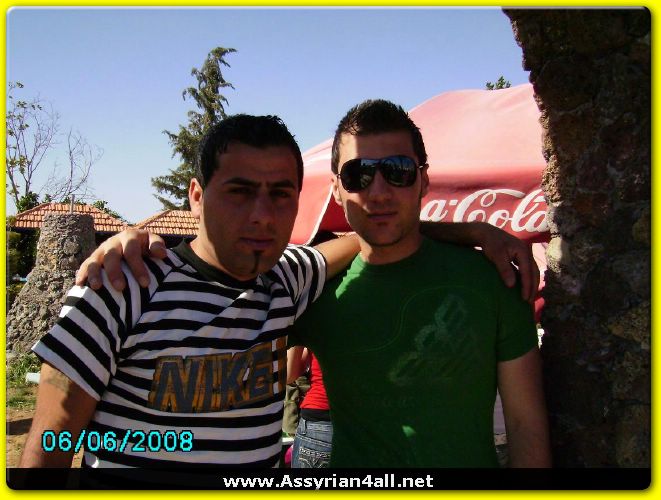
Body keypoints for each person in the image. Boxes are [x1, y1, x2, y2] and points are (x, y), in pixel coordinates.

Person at [53, 111, 541, 471]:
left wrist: (471, 231)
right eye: (240, 192)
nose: (262, 216)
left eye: (280, 194)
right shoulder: (121, 286)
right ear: (196, 196)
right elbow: (51, 445)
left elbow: (372, 234)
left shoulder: (287, 282)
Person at [286, 99, 551, 467]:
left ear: (424, 180)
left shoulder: (493, 280)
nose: (379, 191)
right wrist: (469, 231)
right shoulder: (314, 293)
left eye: (398, 170)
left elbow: (526, 426)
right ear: (336, 189)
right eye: (358, 175)